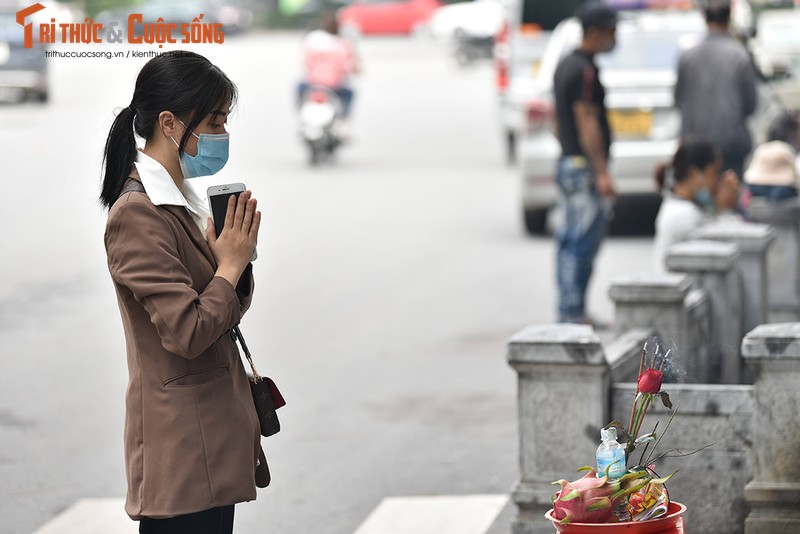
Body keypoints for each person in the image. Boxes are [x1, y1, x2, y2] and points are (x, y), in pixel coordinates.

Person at [100, 51, 268, 534]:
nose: (221, 135)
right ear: (170, 122)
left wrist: (232, 262)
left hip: (211, 439)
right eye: (214, 121)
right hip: (182, 449)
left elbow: (222, 311)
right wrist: (230, 264)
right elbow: (188, 333)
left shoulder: (182, 200)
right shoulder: (137, 213)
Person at [552, 1, 618, 324]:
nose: (614, 37)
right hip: (582, 167)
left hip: (569, 162)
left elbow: (557, 121)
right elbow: (586, 121)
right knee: (580, 241)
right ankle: (572, 311)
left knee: (569, 239)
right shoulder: (584, 70)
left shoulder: (566, 63)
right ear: (595, 33)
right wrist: (602, 171)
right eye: (610, 31)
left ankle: (570, 308)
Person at [675, 0, 757, 179]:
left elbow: (678, 100)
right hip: (731, 143)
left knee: (699, 199)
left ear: (704, 18)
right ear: (729, 18)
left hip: (695, 144)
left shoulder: (687, 57)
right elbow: (751, 105)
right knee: (730, 198)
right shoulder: (739, 56)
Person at [652, 141, 741, 271]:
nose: (717, 183)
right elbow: (723, 255)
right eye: (714, 173)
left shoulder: (679, 206)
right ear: (694, 174)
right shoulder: (684, 215)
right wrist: (726, 211)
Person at [298, 11, 359, 127]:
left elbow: (305, 63)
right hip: (334, 85)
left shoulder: (313, 40)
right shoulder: (341, 44)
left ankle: (300, 115)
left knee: (298, 87)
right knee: (350, 93)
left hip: (312, 83)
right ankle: (344, 121)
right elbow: (346, 67)